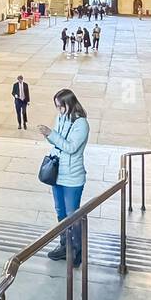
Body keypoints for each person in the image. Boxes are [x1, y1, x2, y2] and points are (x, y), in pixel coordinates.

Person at [38, 88, 90, 265]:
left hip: (72, 177)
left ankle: (76, 251)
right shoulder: (61, 118)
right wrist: (49, 135)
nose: (58, 110)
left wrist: (51, 134)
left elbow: (70, 147)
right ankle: (64, 246)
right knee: (60, 212)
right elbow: (57, 142)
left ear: (70, 103)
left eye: (60, 106)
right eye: (57, 106)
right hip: (57, 173)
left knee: (72, 215)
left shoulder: (81, 124)